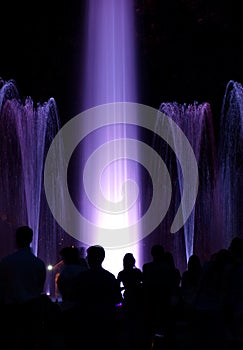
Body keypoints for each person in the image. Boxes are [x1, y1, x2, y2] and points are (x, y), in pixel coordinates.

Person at [0, 225, 48, 349]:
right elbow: (39, 288)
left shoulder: (6, 262)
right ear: (31, 239)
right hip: (32, 311)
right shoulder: (38, 263)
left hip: (11, 311)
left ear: (16, 239)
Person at [75, 245, 122, 350]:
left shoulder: (82, 277)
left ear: (91, 258)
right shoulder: (110, 278)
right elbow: (117, 300)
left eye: (88, 256)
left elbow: (76, 297)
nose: (86, 258)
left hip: (87, 322)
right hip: (105, 321)